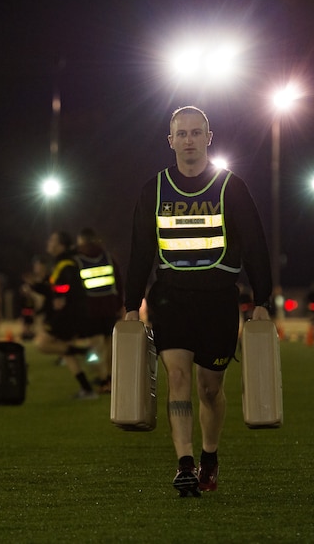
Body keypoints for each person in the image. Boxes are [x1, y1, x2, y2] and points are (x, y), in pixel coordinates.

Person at [123, 106, 272, 497]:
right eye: (181, 133)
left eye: (195, 132)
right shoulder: (153, 189)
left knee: (209, 389)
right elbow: (140, 251)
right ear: (170, 141)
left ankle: (209, 456)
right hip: (170, 298)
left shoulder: (230, 187)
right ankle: (185, 465)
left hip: (219, 301)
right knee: (177, 378)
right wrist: (130, 303)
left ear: (209, 138)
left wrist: (263, 297)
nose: (188, 139)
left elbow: (255, 243)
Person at [32, 231, 96, 399]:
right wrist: (40, 288)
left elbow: (68, 287)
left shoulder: (66, 263)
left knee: (42, 343)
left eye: (52, 240)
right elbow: (57, 288)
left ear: (61, 245)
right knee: (66, 353)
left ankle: (84, 351)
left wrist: (59, 295)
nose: (49, 243)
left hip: (68, 314)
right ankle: (87, 390)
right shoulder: (60, 263)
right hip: (69, 312)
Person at [73, 227, 123, 393]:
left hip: (91, 312)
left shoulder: (77, 261)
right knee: (110, 348)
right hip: (110, 309)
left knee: (95, 349)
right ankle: (110, 378)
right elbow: (119, 283)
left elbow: (76, 290)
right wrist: (120, 305)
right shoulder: (108, 258)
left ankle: (103, 380)